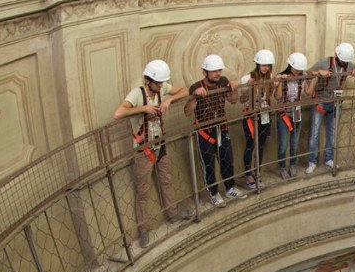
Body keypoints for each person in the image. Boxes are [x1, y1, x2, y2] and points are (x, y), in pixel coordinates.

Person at [113, 59, 191, 247]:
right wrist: (143, 109)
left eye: (162, 83)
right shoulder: (137, 94)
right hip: (143, 149)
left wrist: (169, 99)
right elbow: (118, 113)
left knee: (166, 180)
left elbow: (185, 90)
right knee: (143, 191)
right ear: (148, 81)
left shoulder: (162, 89)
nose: (161, 85)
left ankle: (172, 214)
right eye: (158, 83)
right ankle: (143, 229)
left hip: (160, 144)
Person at [185, 54, 247, 207]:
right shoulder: (195, 86)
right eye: (213, 71)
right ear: (205, 72)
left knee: (227, 158)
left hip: (222, 128)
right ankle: (213, 193)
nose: (218, 73)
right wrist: (194, 96)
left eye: (219, 70)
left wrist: (233, 88)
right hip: (205, 132)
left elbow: (232, 101)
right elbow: (187, 111)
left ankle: (229, 187)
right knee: (208, 164)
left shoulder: (223, 81)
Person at [305, 43, 355, 174]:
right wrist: (318, 72)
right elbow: (307, 72)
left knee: (332, 133)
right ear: (337, 55)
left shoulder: (348, 64)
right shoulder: (325, 62)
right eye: (343, 61)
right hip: (320, 102)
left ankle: (329, 158)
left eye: (347, 61)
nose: (345, 63)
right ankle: (312, 161)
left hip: (336, 103)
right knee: (314, 133)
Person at [274, 52, 314, 178]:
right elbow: (277, 96)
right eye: (296, 69)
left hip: (297, 112)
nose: (298, 72)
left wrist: (313, 78)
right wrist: (280, 82)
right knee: (283, 144)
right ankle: (282, 167)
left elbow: (308, 92)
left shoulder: (302, 76)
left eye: (300, 70)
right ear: (290, 65)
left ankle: (292, 165)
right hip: (283, 114)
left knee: (295, 143)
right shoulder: (281, 76)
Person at [240, 49, 276, 189]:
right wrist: (248, 87)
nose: (266, 68)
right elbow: (241, 99)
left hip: (264, 115)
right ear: (257, 64)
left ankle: (257, 172)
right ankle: (248, 174)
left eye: (268, 65)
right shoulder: (246, 78)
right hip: (250, 116)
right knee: (250, 145)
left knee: (261, 145)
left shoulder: (269, 77)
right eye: (263, 65)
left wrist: (274, 85)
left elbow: (269, 96)